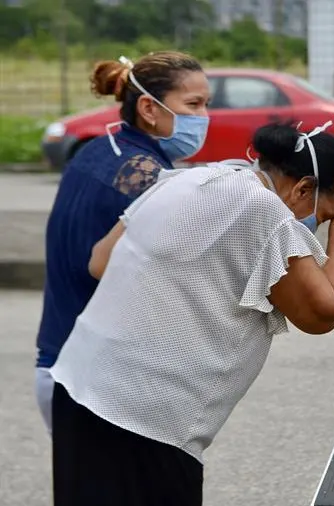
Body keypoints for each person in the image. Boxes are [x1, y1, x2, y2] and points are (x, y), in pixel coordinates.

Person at [48, 120, 334, 505]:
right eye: (325, 214)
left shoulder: (188, 179)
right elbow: (323, 313)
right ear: (303, 189)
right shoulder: (266, 213)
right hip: (146, 422)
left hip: (77, 388)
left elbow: (100, 260)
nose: (321, 224)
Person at [34, 51, 210, 434]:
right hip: (93, 383)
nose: (204, 117)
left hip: (58, 361)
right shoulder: (146, 176)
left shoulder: (98, 151)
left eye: (206, 104)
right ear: (149, 107)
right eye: (194, 104)